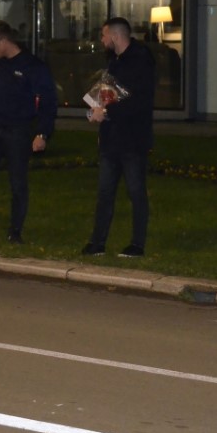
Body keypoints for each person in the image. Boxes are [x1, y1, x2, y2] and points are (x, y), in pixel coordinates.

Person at [0, 20, 57, 245]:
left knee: (18, 183)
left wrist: (42, 133)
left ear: (3, 41)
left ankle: (15, 231)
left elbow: (48, 102)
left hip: (18, 130)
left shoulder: (32, 66)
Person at [82, 17, 156, 258]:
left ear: (115, 36)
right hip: (111, 138)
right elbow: (108, 95)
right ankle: (97, 242)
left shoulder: (140, 61)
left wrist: (106, 112)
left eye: (104, 36)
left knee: (136, 191)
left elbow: (137, 102)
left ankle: (137, 244)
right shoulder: (114, 61)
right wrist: (97, 112)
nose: (102, 40)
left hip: (133, 139)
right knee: (105, 192)